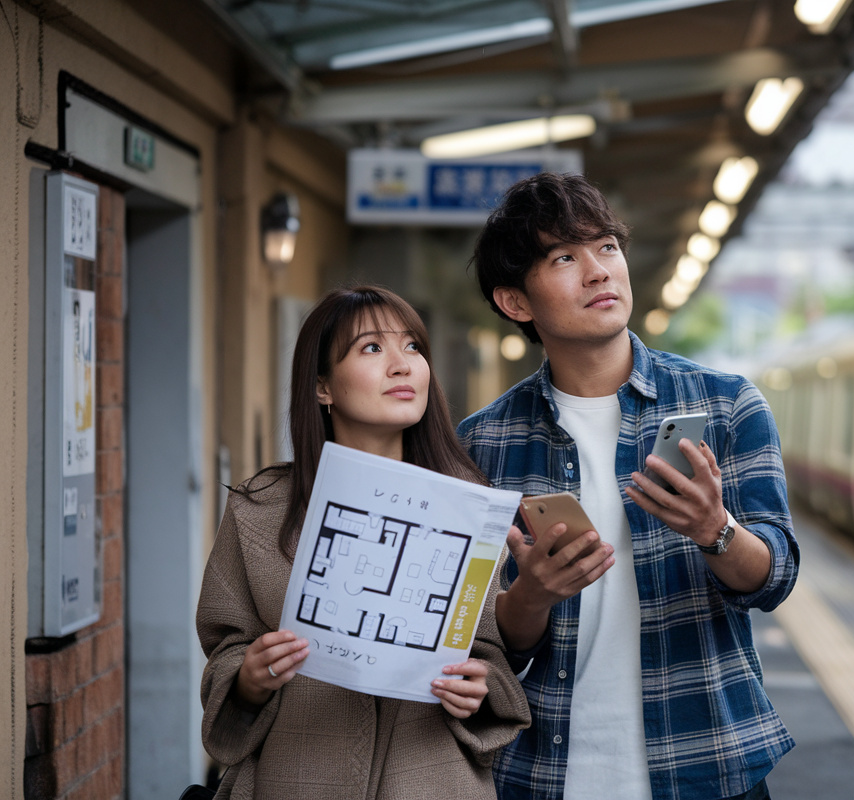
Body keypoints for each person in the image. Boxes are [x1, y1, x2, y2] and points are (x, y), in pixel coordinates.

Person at [457, 173, 799, 800]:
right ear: (516, 302)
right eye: (565, 257)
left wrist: (714, 531)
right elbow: (478, 640)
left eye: (606, 247)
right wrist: (530, 594)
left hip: (709, 765)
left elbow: (775, 577)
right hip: (541, 775)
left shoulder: (726, 406)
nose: (598, 271)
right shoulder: (482, 443)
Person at [197, 285, 530, 799]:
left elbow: (486, 647)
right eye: (372, 348)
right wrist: (249, 678)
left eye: (412, 347)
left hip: (432, 777)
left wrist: (477, 688)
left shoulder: (467, 505)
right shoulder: (261, 508)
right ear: (322, 387)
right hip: (295, 774)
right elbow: (226, 644)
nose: (402, 365)